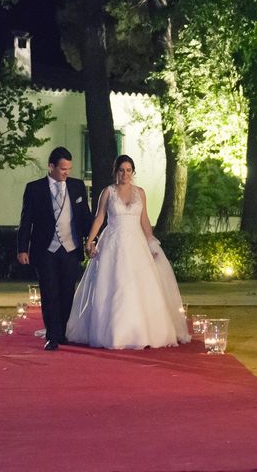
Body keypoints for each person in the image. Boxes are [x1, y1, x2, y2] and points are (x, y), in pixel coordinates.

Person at [66, 155, 191, 349]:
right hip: (113, 244)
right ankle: (113, 332)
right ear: (116, 172)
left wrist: (151, 244)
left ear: (133, 172)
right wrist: (90, 241)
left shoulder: (140, 193)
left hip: (136, 244)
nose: (125, 174)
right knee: (114, 286)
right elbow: (99, 218)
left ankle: (141, 332)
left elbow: (145, 221)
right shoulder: (108, 192)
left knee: (140, 286)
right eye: (121, 170)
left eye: (129, 170)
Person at [17, 147, 92, 351]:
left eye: (69, 168)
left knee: (68, 292)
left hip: (70, 247)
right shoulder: (34, 188)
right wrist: (22, 248)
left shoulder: (77, 187)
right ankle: (52, 336)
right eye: (62, 168)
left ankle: (63, 332)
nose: (66, 172)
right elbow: (26, 221)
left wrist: (92, 239)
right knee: (49, 292)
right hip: (45, 249)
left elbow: (85, 216)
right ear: (51, 166)